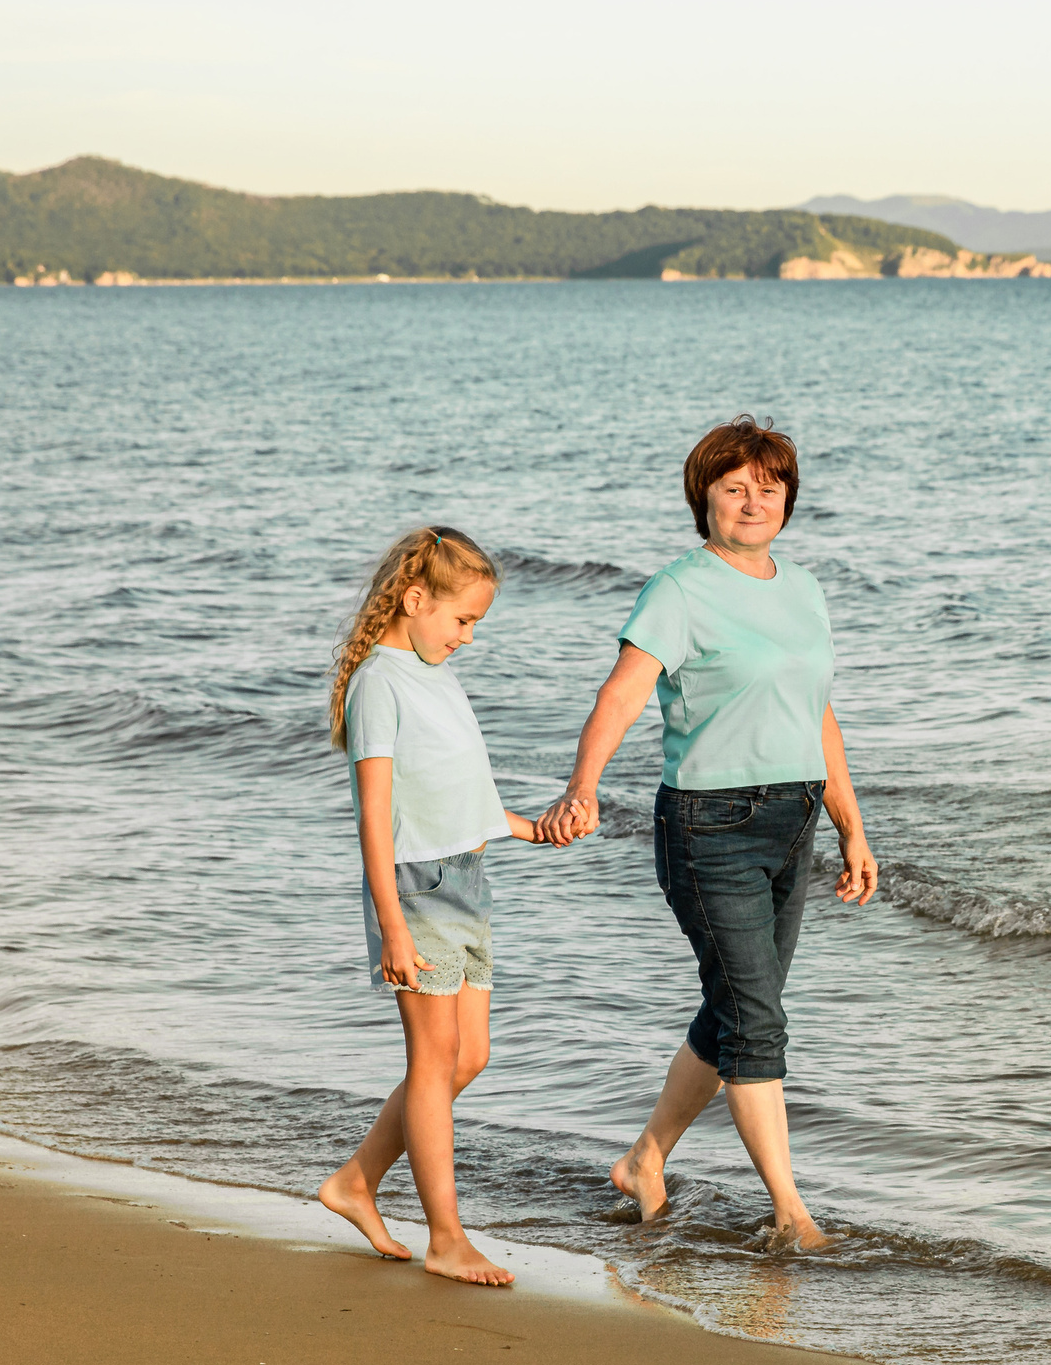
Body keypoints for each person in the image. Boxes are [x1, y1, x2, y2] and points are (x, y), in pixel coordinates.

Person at [541, 416, 877, 1250]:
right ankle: (793, 1213)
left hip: (793, 820)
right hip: (709, 827)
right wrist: (583, 785)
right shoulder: (679, 589)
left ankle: (644, 1160)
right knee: (756, 1018)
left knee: (738, 1006)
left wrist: (852, 828)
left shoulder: (804, 590)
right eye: (735, 487)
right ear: (706, 501)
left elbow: (818, 712)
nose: (754, 500)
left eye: (769, 486)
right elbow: (620, 696)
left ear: (789, 499)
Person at [314, 525, 549, 1286]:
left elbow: (457, 789)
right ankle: (446, 1236)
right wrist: (390, 923)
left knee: (467, 1057)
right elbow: (374, 815)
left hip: (467, 878)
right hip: (415, 887)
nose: (468, 636)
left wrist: (527, 827)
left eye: (475, 623)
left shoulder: (433, 673)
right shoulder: (380, 682)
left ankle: (357, 1180)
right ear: (416, 600)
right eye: (461, 620)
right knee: (433, 1059)